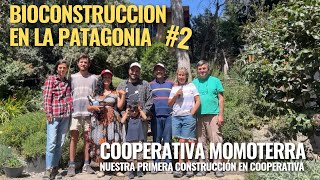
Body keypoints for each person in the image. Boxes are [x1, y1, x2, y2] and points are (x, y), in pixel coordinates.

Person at [87, 69, 126, 178]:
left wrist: (123, 95)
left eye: (109, 77)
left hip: (113, 122)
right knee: (101, 144)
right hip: (100, 121)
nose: (107, 79)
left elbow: (119, 106)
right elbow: (88, 107)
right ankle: (101, 169)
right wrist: (94, 107)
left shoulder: (115, 92)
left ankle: (116, 169)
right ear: (102, 79)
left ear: (111, 79)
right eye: (105, 77)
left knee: (115, 144)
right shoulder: (95, 93)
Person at [67, 54, 98, 177]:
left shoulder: (94, 78)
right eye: (81, 62)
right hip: (75, 112)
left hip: (89, 114)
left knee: (87, 140)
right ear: (77, 63)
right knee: (73, 138)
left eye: (86, 62)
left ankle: (86, 164)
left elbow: (95, 95)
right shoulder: (72, 77)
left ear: (88, 64)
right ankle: (71, 165)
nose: (83, 64)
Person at [192, 60, 225, 177]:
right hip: (199, 116)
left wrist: (221, 114)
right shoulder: (194, 82)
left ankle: (218, 167)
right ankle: (203, 167)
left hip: (213, 115)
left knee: (216, 141)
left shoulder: (215, 81)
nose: (202, 71)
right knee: (201, 142)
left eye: (204, 68)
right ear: (197, 70)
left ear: (208, 69)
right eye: (200, 69)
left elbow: (221, 98)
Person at [168, 67, 200, 178]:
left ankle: (182, 166)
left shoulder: (191, 86)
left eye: (183, 75)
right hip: (176, 117)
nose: (181, 77)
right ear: (177, 76)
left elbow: (198, 101)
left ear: (186, 76)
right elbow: (169, 103)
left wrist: (192, 112)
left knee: (183, 141)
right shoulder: (174, 88)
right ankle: (187, 165)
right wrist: (176, 95)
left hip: (188, 117)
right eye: (179, 75)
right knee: (180, 142)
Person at [43, 59, 72, 180]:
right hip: (54, 116)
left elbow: (69, 97)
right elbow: (47, 96)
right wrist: (48, 112)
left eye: (64, 68)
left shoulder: (67, 81)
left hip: (65, 116)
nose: (62, 70)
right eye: (60, 67)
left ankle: (55, 168)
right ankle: (47, 169)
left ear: (66, 69)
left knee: (60, 143)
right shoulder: (51, 79)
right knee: (51, 143)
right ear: (56, 68)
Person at [116, 62, 153, 142]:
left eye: (137, 71)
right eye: (132, 70)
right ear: (129, 70)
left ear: (139, 72)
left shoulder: (145, 84)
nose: (134, 73)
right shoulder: (121, 85)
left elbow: (150, 100)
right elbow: (118, 103)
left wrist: (143, 112)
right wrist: (123, 114)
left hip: (141, 119)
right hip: (127, 119)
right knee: (127, 143)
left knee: (141, 143)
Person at [149, 63, 174, 171]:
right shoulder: (150, 84)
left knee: (168, 140)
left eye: (161, 70)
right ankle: (156, 163)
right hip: (155, 116)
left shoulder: (171, 83)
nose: (159, 71)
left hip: (169, 116)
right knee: (156, 140)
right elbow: (147, 99)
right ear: (154, 72)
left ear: (164, 71)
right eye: (157, 70)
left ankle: (168, 163)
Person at [121, 103, 147, 179]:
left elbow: (145, 118)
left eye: (136, 111)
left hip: (139, 140)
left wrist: (140, 109)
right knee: (130, 158)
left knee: (139, 157)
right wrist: (127, 112)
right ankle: (131, 171)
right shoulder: (128, 119)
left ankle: (139, 170)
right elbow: (122, 121)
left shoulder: (140, 119)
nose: (134, 112)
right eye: (132, 111)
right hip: (130, 140)